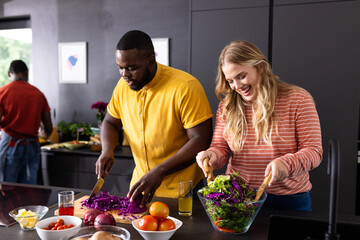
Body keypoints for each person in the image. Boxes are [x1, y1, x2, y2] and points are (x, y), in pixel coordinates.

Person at [196, 41, 323, 211]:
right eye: (231, 81)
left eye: (242, 76)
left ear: (261, 67)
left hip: (288, 200)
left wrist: (287, 164)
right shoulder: (227, 106)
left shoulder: (298, 99)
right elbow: (220, 147)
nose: (237, 87)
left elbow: (314, 151)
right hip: (238, 199)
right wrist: (210, 155)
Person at [96, 30, 213, 207]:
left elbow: (201, 139)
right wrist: (107, 149)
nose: (124, 74)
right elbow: (111, 121)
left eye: (132, 68)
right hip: (140, 190)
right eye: (120, 67)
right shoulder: (123, 86)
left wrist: (161, 170)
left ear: (151, 60)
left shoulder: (185, 87)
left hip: (183, 193)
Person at [0, 60, 52, 184]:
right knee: (30, 190)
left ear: (9, 74)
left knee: (8, 189)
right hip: (33, 147)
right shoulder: (38, 94)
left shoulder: (3, 92)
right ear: (26, 72)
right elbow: (48, 129)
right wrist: (40, 133)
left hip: (11, 146)